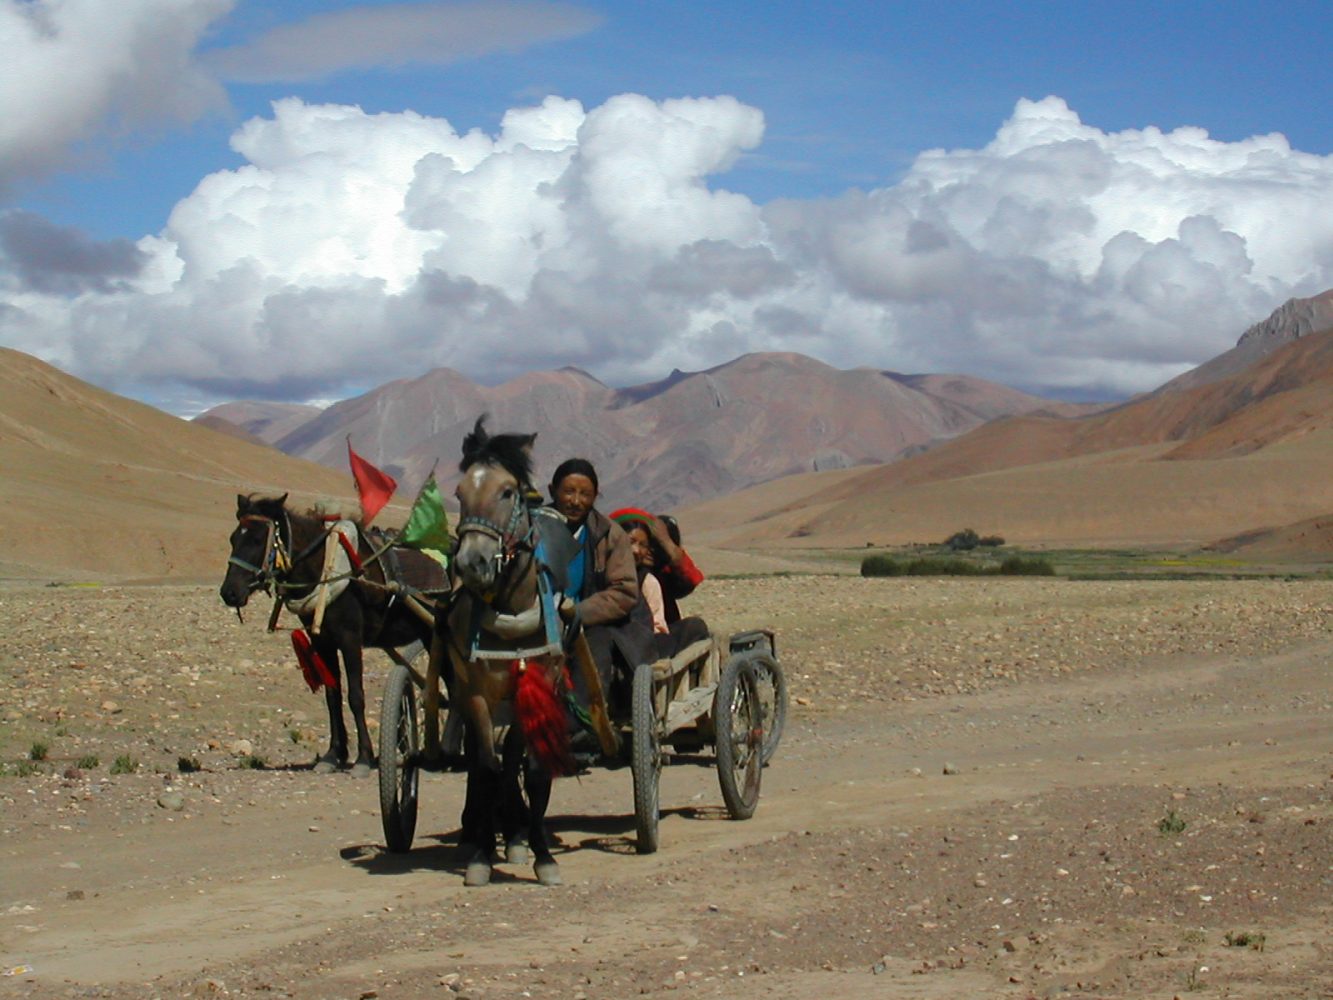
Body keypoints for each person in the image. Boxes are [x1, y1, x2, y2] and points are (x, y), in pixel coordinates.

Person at [547, 459, 651, 711]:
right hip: (538, 621)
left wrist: (577, 614)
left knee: (594, 651)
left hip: (592, 625)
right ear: (552, 491)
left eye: (585, 494)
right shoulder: (534, 528)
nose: (575, 501)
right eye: (568, 491)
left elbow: (624, 591)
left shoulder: (610, 535)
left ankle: (583, 730)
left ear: (595, 497)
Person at [610, 508, 710, 659]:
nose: (641, 551)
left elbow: (689, 581)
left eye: (646, 544)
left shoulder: (656, 575)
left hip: (654, 639)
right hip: (623, 639)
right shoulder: (605, 570)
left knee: (694, 627)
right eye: (632, 542)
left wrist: (666, 542)